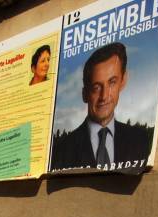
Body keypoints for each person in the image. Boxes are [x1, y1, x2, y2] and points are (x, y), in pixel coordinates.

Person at [51, 42, 152, 171]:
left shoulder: (140, 139)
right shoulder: (61, 150)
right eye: (96, 87)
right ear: (85, 94)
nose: (104, 96)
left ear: (123, 81)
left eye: (112, 82)